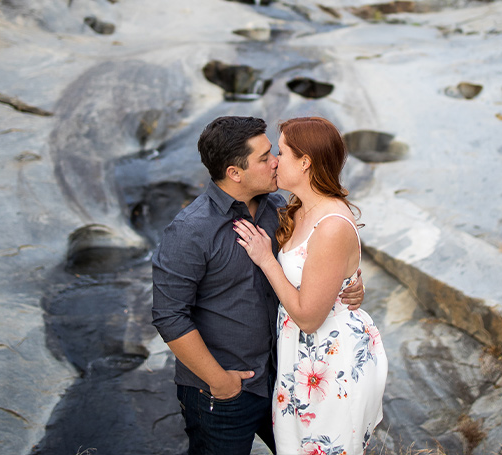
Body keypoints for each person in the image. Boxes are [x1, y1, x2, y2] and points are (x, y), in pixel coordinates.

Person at [151, 116, 364, 455]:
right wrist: (221, 382)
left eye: (274, 152)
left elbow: (318, 257)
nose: (276, 162)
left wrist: (348, 282)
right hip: (224, 391)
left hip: (284, 378)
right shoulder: (191, 230)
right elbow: (169, 316)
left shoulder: (281, 208)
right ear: (235, 173)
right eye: (265, 158)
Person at [234, 116, 387, 455]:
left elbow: (308, 318)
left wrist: (266, 259)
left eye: (282, 153)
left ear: (305, 162)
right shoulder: (298, 209)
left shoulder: (331, 224)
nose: (274, 161)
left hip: (330, 365)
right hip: (300, 360)